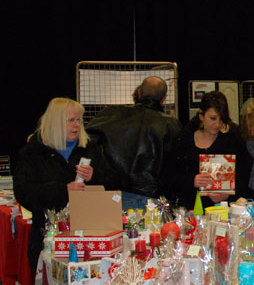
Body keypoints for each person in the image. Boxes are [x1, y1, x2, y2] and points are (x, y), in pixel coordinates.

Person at [14, 98, 109, 268]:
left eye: (79, 120)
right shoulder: (33, 152)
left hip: (89, 236)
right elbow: (23, 192)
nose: (77, 125)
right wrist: (63, 190)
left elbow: (113, 182)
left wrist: (94, 176)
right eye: (71, 120)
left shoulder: (89, 148)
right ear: (55, 122)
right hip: (49, 237)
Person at [86, 76, 181, 209]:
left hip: (112, 193)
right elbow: (174, 164)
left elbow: (85, 140)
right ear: (164, 99)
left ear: (139, 93)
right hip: (150, 197)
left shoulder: (111, 114)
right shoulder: (170, 124)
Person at [165, 91, 244, 210]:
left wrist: (229, 193)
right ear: (201, 115)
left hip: (223, 211)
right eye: (213, 118)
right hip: (190, 210)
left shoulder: (232, 140)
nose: (217, 124)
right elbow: (168, 178)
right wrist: (193, 181)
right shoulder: (183, 140)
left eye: (221, 119)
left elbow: (245, 177)